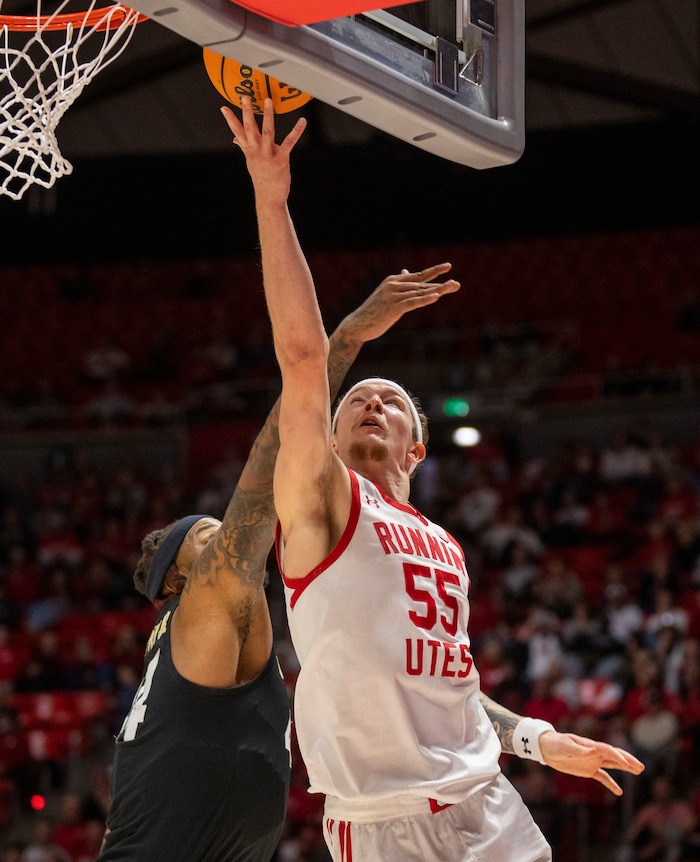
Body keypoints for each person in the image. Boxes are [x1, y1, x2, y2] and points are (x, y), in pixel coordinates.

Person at [221, 96, 645, 862]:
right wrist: (271, 196)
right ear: (333, 437)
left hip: (487, 801)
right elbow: (303, 358)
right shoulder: (322, 502)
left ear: (417, 450)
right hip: (386, 824)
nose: (371, 403)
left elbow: (449, 686)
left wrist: (541, 742)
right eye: (356, 402)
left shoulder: (443, 544)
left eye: (389, 401)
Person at [97, 196, 460, 861]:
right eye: (208, 536)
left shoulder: (210, 655)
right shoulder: (208, 601)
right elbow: (260, 494)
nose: (231, 538)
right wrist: (346, 340)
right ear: (181, 574)